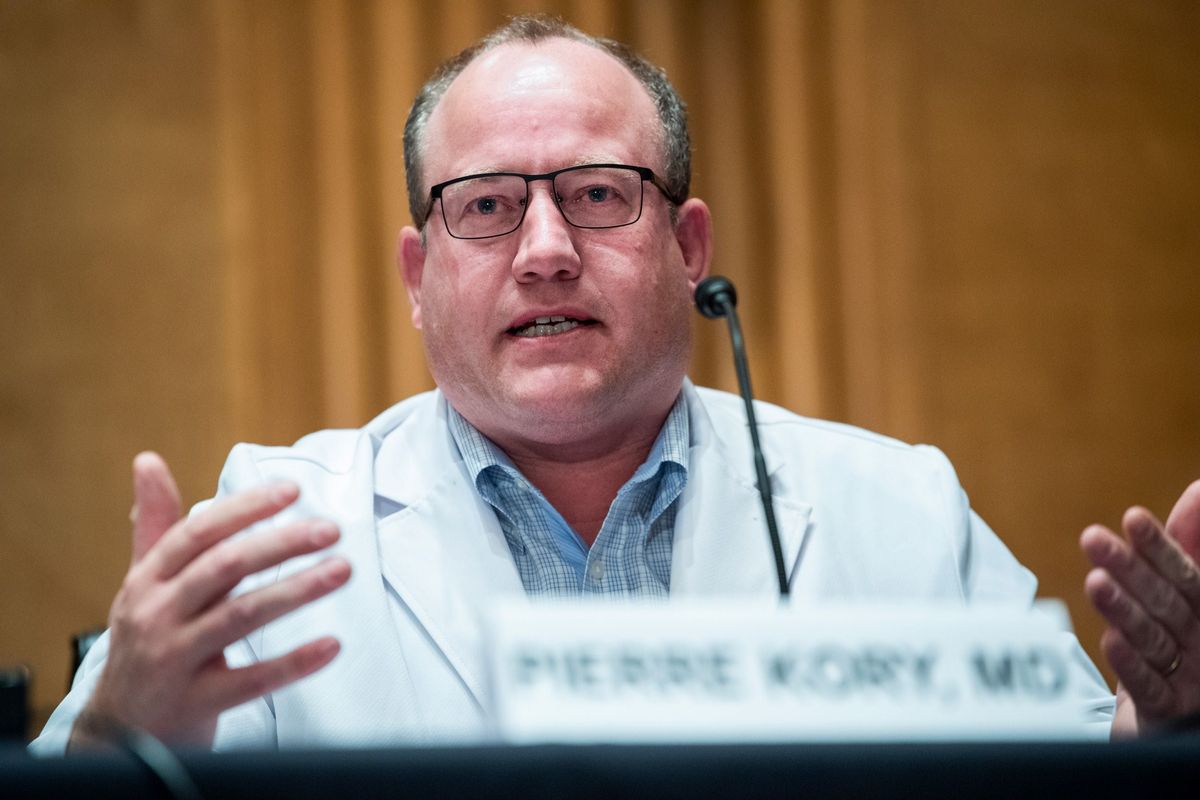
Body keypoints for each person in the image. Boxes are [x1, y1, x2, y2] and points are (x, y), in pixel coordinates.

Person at [33, 15, 1200, 752]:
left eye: (598, 193)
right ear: (418, 272)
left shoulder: (898, 509)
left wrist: (1168, 718)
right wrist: (120, 735)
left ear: (689, 248)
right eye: (486, 205)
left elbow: (1083, 768)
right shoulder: (273, 532)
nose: (544, 247)